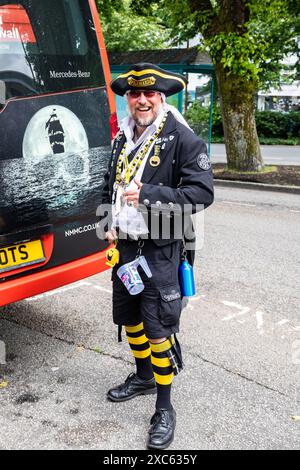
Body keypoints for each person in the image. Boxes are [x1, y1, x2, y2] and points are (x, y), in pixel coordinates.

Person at [100, 63, 214, 449]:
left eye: (149, 94)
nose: (142, 100)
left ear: (161, 98)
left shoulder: (180, 137)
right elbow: (109, 183)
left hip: (163, 246)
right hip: (126, 247)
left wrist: (149, 193)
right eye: (135, 94)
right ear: (128, 99)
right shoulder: (122, 136)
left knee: (158, 328)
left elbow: (202, 194)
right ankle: (143, 376)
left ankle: (165, 407)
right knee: (130, 319)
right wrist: (108, 222)